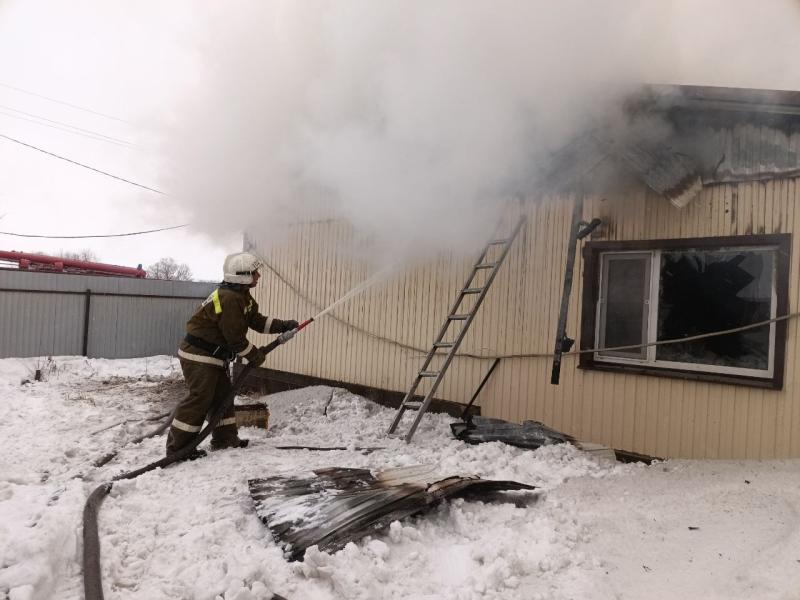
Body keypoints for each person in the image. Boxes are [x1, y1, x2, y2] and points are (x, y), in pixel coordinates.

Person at [166, 252, 298, 458]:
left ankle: (225, 439)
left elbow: (256, 321)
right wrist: (254, 355)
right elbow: (235, 338)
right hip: (199, 356)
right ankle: (179, 448)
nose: (258, 277)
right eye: (255, 273)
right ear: (242, 275)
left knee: (223, 398)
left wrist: (283, 325)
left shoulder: (242, 296)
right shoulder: (230, 298)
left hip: (213, 357)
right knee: (200, 399)